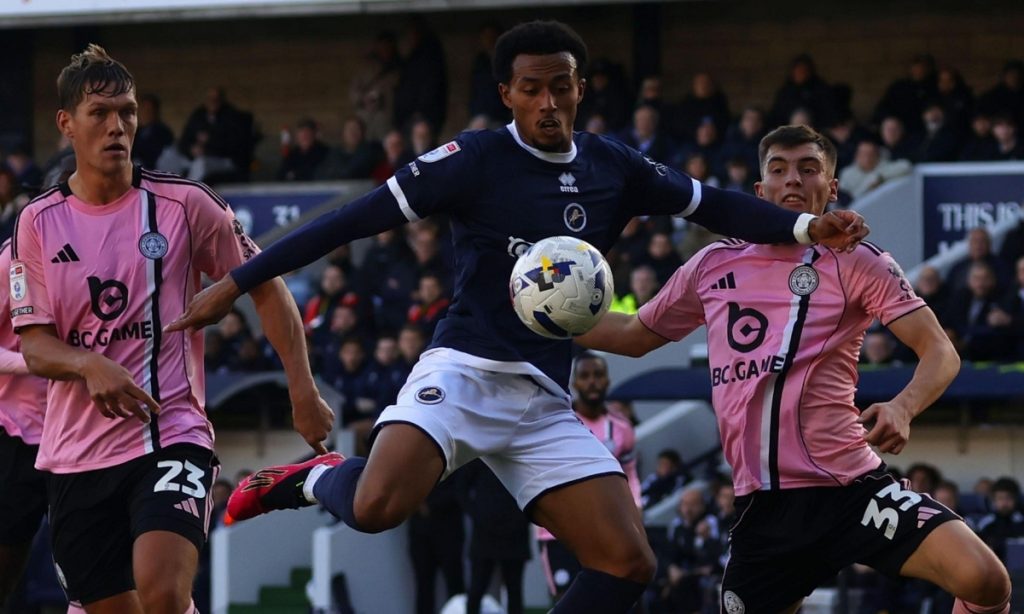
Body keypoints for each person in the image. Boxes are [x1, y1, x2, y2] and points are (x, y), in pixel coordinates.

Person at [168, 22, 865, 613]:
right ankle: (308, 478)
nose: (548, 102)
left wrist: (806, 227)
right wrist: (237, 280)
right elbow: (353, 221)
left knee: (628, 563)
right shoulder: (471, 160)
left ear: (580, 89)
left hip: (541, 395)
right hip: (465, 371)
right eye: (531, 89)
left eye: (561, 86)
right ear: (507, 95)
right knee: (379, 508)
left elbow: (715, 204)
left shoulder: (612, 167)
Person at [576, 124, 1011, 613]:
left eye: (808, 169)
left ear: (832, 188)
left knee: (985, 579)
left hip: (851, 488)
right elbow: (634, 335)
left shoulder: (858, 260)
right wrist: (543, 321)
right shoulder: (712, 264)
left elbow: (940, 351)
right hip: (764, 510)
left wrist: (904, 407)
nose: (793, 181)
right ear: (759, 192)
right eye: (778, 170)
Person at [9, 45, 332, 614]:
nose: (118, 127)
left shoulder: (184, 205)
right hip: (75, 455)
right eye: (100, 114)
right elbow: (34, 345)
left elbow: (267, 285)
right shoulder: (36, 223)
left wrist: (301, 389)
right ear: (66, 125)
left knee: (162, 593)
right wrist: (88, 364)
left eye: (128, 112)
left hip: (171, 431)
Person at [535, 353, 642, 603]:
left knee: (611, 599)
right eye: (584, 376)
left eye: (598, 375)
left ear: (607, 380)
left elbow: (631, 476)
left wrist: (636, 512)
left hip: (607, 529)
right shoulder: (557, 424)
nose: (592, 382)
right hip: (558, 532)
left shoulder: (622, 428)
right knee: (565, 600)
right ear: (574, 384)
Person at [0, 239, 49, 608]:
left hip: (86, 431)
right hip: (15, 429)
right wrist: (40, 363)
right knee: (9, 551)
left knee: (94, 556)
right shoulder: (13, 258)